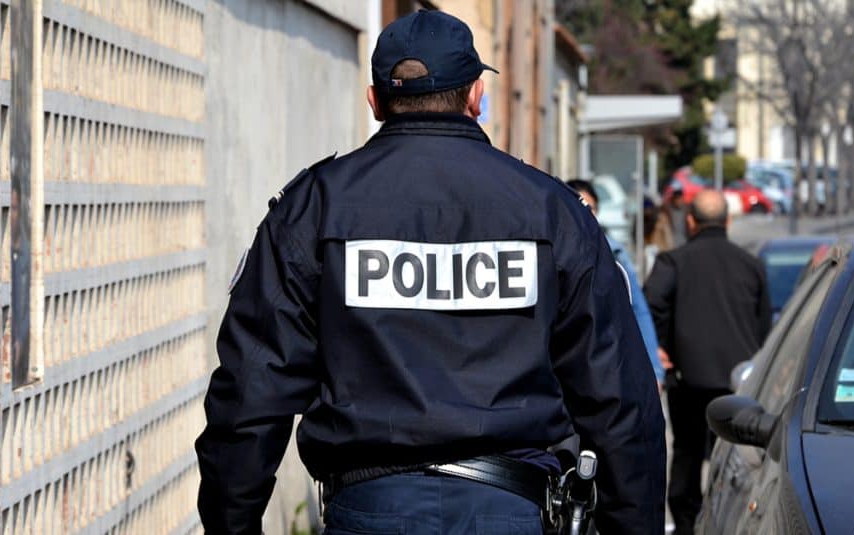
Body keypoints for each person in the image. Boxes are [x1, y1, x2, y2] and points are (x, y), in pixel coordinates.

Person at [195, 10, 665, 535]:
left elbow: (250, 392)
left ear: (374, 101)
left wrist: (231, 525)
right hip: (511, 512)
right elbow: (620, 399)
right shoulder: (553, 213)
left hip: (368, 512)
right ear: (475, 97)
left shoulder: (313, 208)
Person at [643, 189, 771, 535]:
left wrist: (661, 348)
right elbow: (763, 328)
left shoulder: (673, 262)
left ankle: (685, 524)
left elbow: (650, 305)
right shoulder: (751, 265)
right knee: (734, 459)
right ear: (728, 221)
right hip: (739, 384)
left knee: (686, 451)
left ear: (690, 221)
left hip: (688, 379)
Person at [566, 179, 665, 387]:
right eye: (575, 204)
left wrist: (654, 370)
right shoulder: (552, 252)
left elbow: (638, 309)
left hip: (608, 361)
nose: (583, 213)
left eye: (589, 207)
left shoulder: (615, 253)